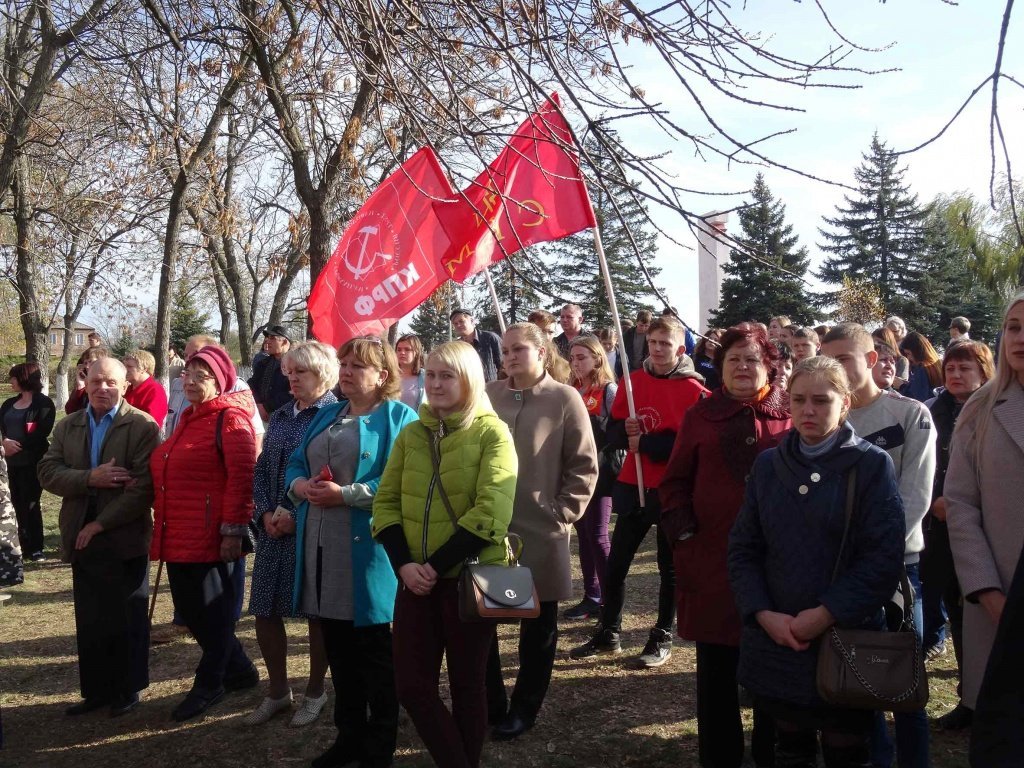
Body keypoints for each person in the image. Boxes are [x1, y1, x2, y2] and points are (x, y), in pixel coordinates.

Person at [728, 356, 906, 768]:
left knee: (846, 749)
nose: (808, 410)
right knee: (790, 747)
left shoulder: (870, 465)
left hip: (843, 637)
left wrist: (826, 613)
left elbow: (882, 557)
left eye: (821, 401)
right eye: (799, 400)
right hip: (777, 637)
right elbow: (744, 548)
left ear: (845, 404)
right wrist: (762, 612)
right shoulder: (770, 464)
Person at [373, 340, 517, 768]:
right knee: (412, 687)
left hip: (469, 578)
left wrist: (433, 566)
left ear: (468, 380)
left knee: (468, 685)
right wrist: (405, 565)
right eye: (431, 374)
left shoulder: (492, 433)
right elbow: (385, 505)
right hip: (414, 579)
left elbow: (491, 512)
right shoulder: (411, 434)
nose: (434, 384)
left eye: (446, 375)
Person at [660, 323, 790, 768]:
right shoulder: (702, 415)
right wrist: (683, 534)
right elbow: (674, 482)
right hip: (711, 562)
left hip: (779, 566)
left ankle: (774, 755)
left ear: (769, 366)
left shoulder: (791, 412)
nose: (741, 366)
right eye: (732, 359)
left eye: (751, 359)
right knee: (716, 673)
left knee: (775, 669)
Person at [285, 337, 417, 768]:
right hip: (321, 546)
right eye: (343, 363)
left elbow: (405, 485)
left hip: (368, 549)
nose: (345, 371)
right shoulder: (326, 413)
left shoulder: (400, 419)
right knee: (338, 649)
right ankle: (349, 737)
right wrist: (300, 487)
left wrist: (349, 494)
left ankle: (380, 745)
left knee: (374, 652)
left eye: (357, 366)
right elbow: (295, 464)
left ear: (382, 375)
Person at [821, 323, 936, 768]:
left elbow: (915, 496)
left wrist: (875, 557)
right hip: (839, 569)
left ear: (870, 360)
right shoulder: (828, 417)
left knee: (902, 675)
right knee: (854, 676)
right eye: (829, 361)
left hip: (896, 569)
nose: (836, 370)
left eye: (845, 360)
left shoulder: (910, 415)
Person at [571, 316, 707, 666]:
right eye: (653, 343)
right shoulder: (633, 383)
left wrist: (645, 441)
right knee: (616, 565)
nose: (658, 350)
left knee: (669, 568)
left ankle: (661, 635)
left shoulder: (695, 390)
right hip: (634, 485)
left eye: (666, 344)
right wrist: (624, 432)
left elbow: (689, 446)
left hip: (671, 490)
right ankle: (609, 632)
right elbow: (613, 436)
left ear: (680, 348)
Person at [486, 322, 598, 739]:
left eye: (519, 350)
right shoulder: (489, 395)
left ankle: (524, 709)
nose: (511, 356)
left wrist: (563, 512)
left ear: (542, 352)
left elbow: (584, 464)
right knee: (487, 617)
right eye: (507, 351)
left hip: (541, 529)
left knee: (538, 626)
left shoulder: (564, 398)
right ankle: (491, 703)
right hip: (492, 528)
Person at [38, 358, 160, 717]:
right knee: (91, 616)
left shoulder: (141, 425)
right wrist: (90, 478)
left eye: (110, 382)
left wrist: (100, 524)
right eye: (95, 381)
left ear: (125, 386)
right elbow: (47, 471)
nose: (102, 388)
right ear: (84, 382)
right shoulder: (70, 424)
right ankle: (96, 690)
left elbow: (143, 488)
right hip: (79, 530)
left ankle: (127, 688)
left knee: (126, 614)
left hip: (122, 532)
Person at [150, 345, 261, 721]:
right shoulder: (188, 417)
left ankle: (209, 683)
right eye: (188, 374)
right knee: (194, 616)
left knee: (212, 616)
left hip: (213, 536)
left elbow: (243, 480)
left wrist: (233, 532)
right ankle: (241, 669)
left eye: (203, 375)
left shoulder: (230, 419)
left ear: (221, 381)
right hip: (178, 530)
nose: (192, 381)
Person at [242, 341, 339, 728]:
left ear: (323, 374)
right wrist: (266, 511)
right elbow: (263, 468)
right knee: (265, 609)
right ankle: (278, 691)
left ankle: (315, 691)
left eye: (301, 372)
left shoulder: (336, 415)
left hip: (312, 527)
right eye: (289, 372)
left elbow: (333, 472)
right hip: (272, 530)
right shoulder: (281, 415)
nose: (292, 379)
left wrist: (296, 516)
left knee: (316, 612)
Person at [945, 291, 1024, 748]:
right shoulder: (982, 408)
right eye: (1012, 326)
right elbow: (960, 503)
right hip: (1001, 600)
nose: (1019, 337)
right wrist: (986, 589)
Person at [922, 340, 994, 732]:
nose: (955, 375)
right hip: (943, 530)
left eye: (965, 368)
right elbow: (921, 465)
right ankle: (970, 699)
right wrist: (934, 500)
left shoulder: (996, 410)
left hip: (989, 529)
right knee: (960, 613)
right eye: (950, 368)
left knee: (989, 613)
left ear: (985, 372)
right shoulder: (932, 411)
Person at [564, 336, 618, 620]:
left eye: (582, 357)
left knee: (598, 536)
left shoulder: (608, 390)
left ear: (598, 358)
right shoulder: (570, 390)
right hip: (575, 473)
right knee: (584, 536)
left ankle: (611, 599)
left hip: (601, 473)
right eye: (573, 358)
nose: (576, 363)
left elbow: (616, 432)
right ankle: (592, 596)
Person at [1, 363, 55, 561]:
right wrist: (4, 442)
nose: (11, 381)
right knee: (12, 503)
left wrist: (18, 446)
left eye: (13, 377)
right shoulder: (8, 404)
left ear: (24, 378)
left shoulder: (43, 404)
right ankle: (17, 545)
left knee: (30, 503)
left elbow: (42, 432)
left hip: (32, 463)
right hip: (8, 464)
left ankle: (35, 547)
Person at [249, 324, 294, 420]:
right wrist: (258, 404)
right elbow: (252, 384)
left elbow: (293, 393)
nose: (267, 341)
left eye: (272, 338)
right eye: (267, 338)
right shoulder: (263, 363)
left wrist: (266, 407)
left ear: (284, 342)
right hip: (260, 413)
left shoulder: (296, 365)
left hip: (285, 417)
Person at [450, 308, 502, 382]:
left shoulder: (490, 338)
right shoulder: (456, 347)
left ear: (471, 321)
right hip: (468, 390)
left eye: (461, 321)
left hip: (491, 389)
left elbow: (503, 365)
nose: (458, 325)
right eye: (455, 324)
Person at [123, 349, 169, 428]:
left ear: (144, 369)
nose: (125, 369)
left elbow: (151, 424)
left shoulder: (155, 390)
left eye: (129, 366)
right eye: (124, 366)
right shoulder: (128, 388)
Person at [899, 331, 943, 403]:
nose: (908, 358)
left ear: (917, 351)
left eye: (908, 353)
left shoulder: (922, 368)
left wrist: (902, 386)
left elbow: (918, 398)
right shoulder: (935, 364)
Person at [65, 347, 109, 415]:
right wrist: (80, 387)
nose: (87, 366)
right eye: (85, 363)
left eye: (91, 361)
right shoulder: (85, 384)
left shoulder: (109, 384)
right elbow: (70, 411)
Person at [396, 333, 427, 410]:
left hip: (416, 420)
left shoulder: (426, 376)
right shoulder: (389, 375)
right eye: (399, 349)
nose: (402, 353)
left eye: (407, 349)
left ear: (416, 352)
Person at [620, 310, 653, 374]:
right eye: (641, 325)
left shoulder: (651, 335)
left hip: (645, 367)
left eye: (646, 326)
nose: (643, 328)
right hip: (629, 367)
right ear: (636, 322)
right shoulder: (628, 334)